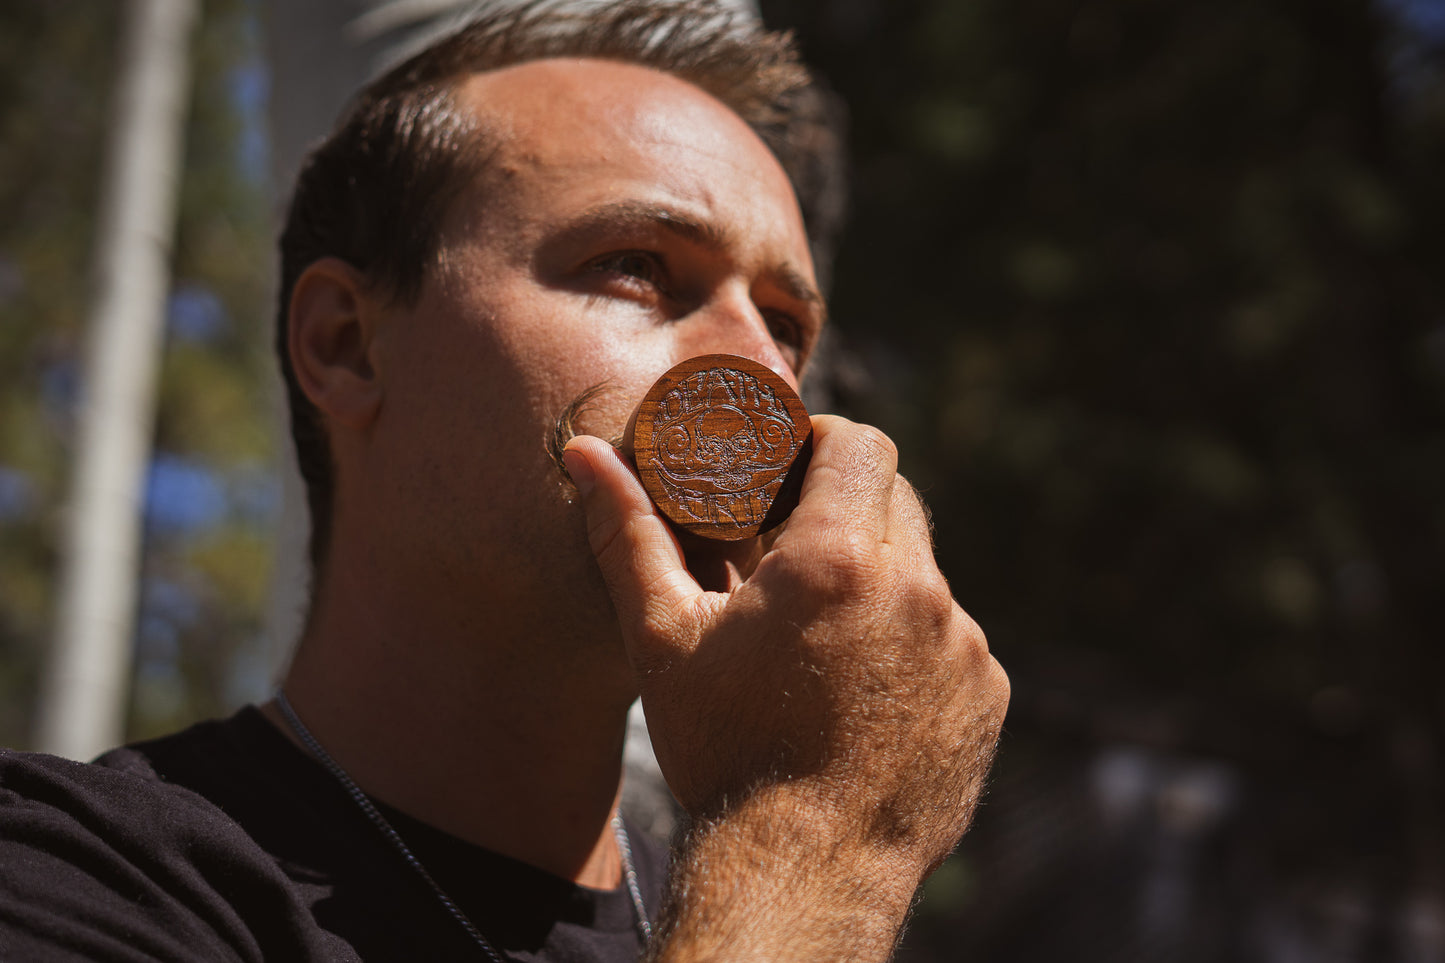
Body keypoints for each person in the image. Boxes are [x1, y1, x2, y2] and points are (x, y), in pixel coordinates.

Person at [0, 2, 1010, 960]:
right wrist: (816, 833)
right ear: (347, 346)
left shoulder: (747, 885)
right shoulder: (72, 881)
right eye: (638, 267)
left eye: (788, 327)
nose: (758, 369)